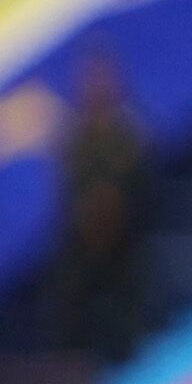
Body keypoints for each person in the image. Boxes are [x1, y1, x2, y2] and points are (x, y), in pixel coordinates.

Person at [48, 51, 152, 366]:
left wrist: (114, 203)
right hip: (84, 234)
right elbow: (67, 180)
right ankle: (73, 366)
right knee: (71, 297)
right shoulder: (74, 133)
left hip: (124, 233)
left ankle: (131, 360)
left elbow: (139, 177)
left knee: (125, 297)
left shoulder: (128, 129)